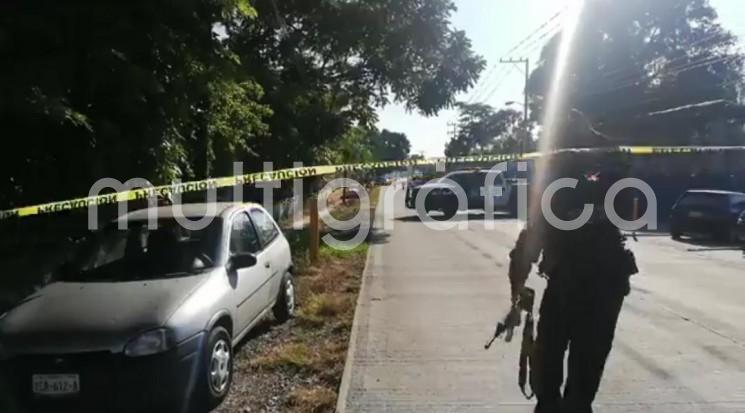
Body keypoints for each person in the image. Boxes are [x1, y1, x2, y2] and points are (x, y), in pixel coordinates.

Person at [508, 152, 639, 413]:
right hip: (605, 289)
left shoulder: (554, 197)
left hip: (569, 288)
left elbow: (525, 251)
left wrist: (516, 295)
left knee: (548, 364)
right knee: (586, 371)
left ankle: (553, 405)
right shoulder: (610, 192)